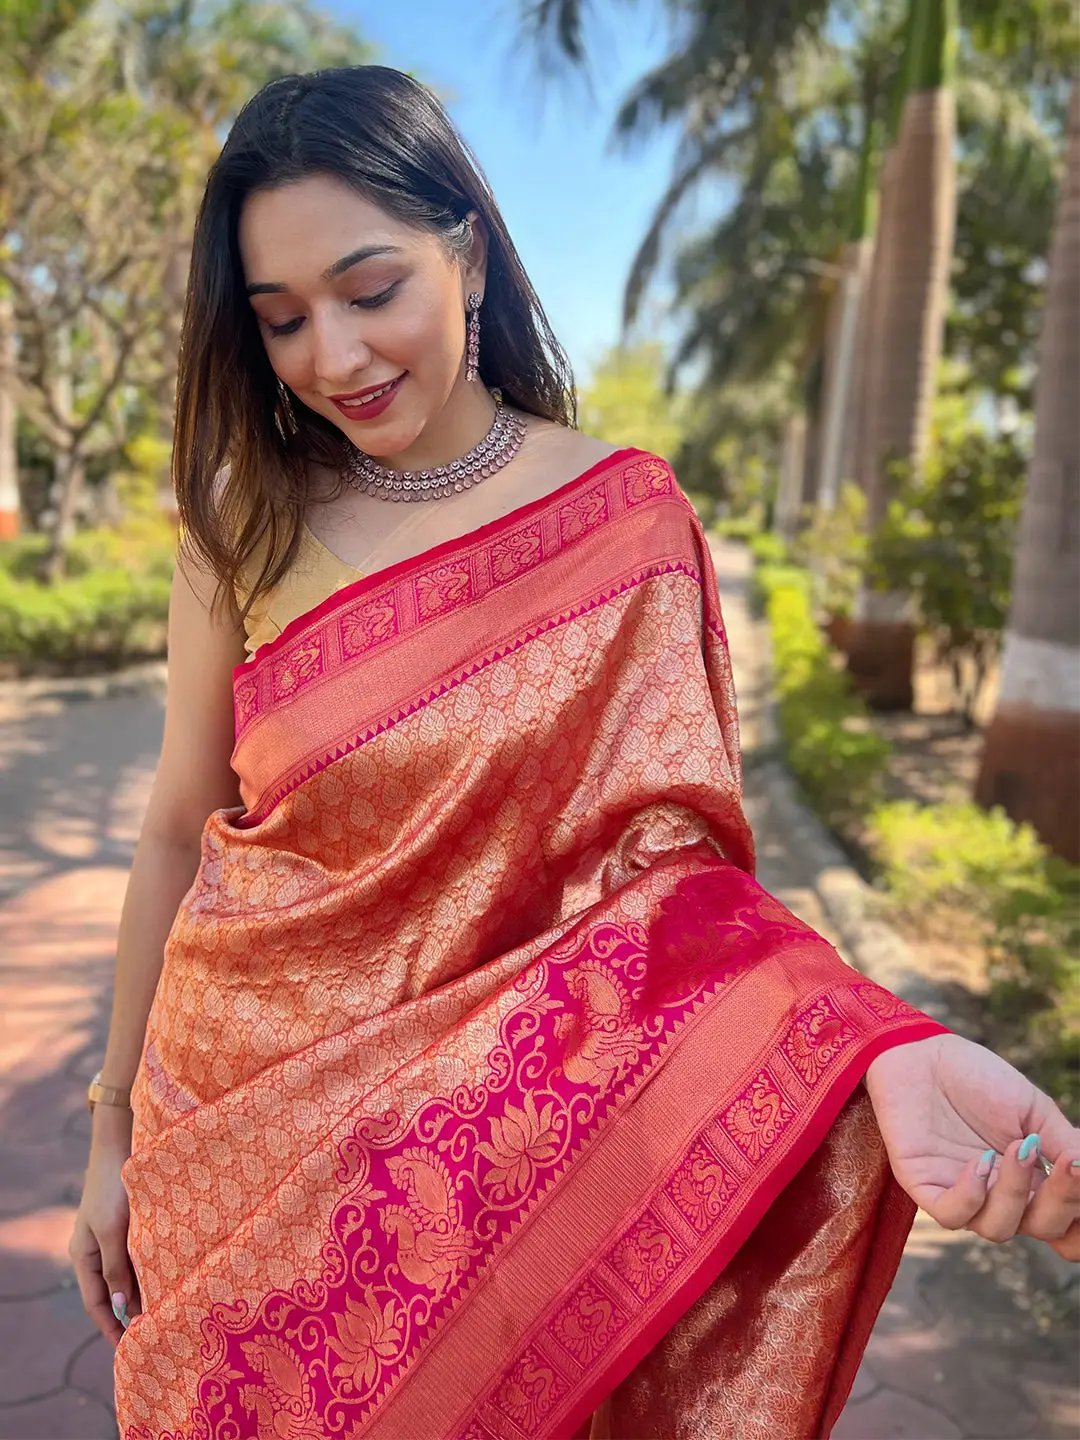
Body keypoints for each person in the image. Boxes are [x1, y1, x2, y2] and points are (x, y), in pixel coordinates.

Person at [69, 65, 1078, 1440]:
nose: (337, 357)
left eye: (373, 292)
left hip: (502, 1171)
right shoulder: (238, 521)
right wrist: (112, 1125)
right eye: (283, 319)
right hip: (234, 1136)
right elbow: (181, 820)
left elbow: (673, 897)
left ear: (467, 252)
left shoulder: (622, 523)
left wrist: (875, 1050)